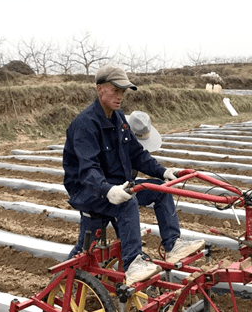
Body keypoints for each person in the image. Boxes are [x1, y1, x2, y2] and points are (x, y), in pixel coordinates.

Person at [63, 64, 205, 286]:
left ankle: (173, 244)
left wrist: (164, 172)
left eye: (123, 92)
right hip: (88, 190)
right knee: (89, 245)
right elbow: (87, 169)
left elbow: (137, 154)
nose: (121, 96)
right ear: (100, 89)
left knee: (159, 190)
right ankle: (132, 264)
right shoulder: (85, 125)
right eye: (116, 90)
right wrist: (108, 190)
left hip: (115, 186)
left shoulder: (119, 118)